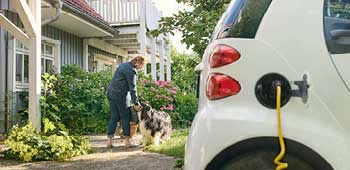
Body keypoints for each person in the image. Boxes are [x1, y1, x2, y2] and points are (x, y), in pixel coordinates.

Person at [106, 56, 144, 147]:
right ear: (138, 63)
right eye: (142, 65)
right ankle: (127, 142)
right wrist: (136, 102)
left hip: (110, 93)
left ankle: (109, 142)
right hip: (121, 95)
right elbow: (133, 88)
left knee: (114, 117)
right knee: (125, 117)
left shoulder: (123, 65)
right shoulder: (132, 71)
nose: (141, 68)